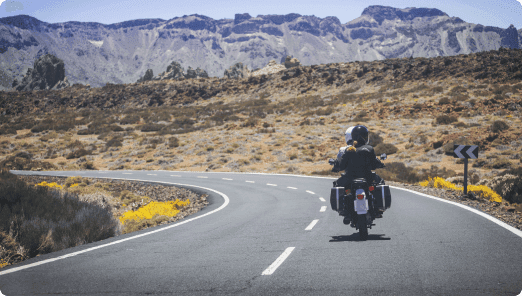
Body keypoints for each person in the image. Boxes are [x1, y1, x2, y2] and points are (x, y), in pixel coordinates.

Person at [331, 125, 384, 222]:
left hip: (350, 178)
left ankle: (343, 210)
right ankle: (379, 207)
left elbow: (342, 165)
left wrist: (336, 167)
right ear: (366, 136)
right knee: (380, 182)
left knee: (337, 185)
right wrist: (381, 164)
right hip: (367, 178)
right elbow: (374, 165)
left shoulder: (349, 150)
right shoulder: (369, 149)